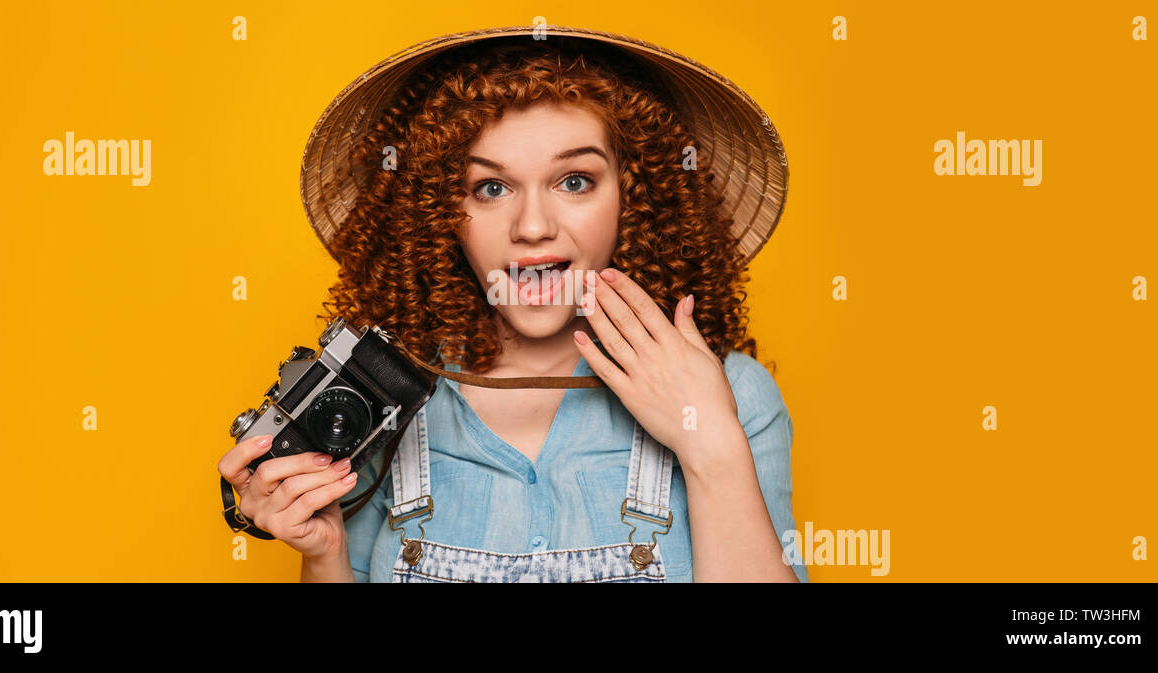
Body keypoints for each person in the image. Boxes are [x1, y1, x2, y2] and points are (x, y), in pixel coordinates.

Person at [217, 26, 808, 583]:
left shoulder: (733, 395)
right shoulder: (385, 396)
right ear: (440, 213)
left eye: (574, 181)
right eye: (491, 187)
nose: (531, 227)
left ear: (637, 194)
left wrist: (712, 445)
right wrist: (324, 556)